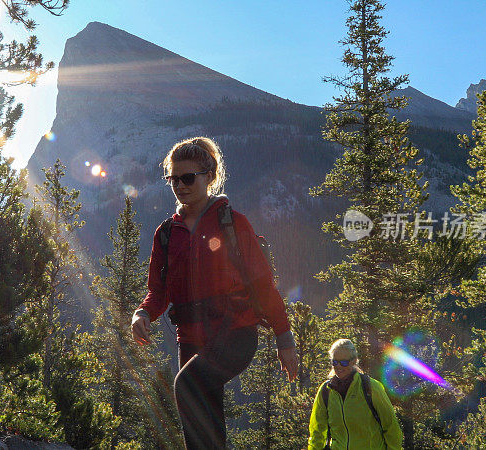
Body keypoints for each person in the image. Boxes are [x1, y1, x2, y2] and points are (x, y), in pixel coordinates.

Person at [130, 136, 299, 449]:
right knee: (205, 418)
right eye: (173, 179)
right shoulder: (167, 233)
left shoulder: (233, 224)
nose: (180, 185)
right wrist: (142, 313)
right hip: (189, 338)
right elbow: (158, 290)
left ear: (209, 176)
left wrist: (284, 338)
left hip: (235, 334)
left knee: (187, 386)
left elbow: (263, 285)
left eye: (188, 177)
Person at [308, 339, 403, 449]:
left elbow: (391, 427)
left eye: (344, 362)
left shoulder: (370, 387)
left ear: (354, 361)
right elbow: (317, 431)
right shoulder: (326, 391)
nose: (338, 366)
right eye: (334, 362)